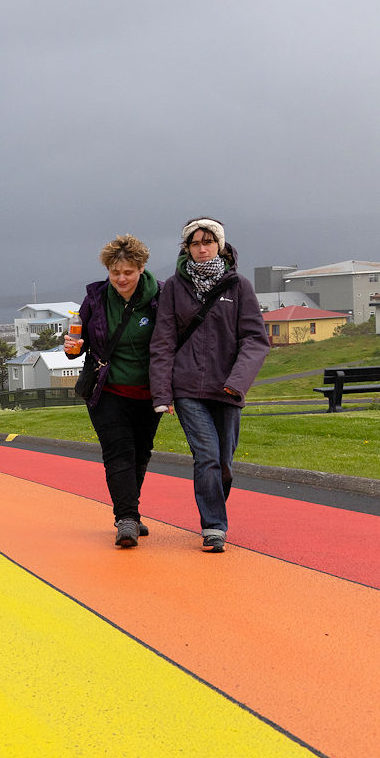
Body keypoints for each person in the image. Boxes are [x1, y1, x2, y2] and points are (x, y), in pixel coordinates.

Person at [148, 218, 270, 553]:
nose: (202, 249)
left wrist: (237, 383)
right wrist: (162, 392)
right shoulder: (174, 287)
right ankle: (213, 526)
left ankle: (214, 506)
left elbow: (255, 341)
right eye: (195, 243)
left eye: (208, 242)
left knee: (224, 463)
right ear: (186, 248)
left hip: (227, 390)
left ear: (220, 245)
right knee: (207, 457)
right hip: (187, 389)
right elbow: (162, 342)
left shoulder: (239, 286)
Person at [65, 234, 162, 548]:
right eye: (115, 272)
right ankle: (126, 519)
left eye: (128, 272)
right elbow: (77, 344)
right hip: (106, 389)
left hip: (148, 391)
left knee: (140, 453)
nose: (121, 278)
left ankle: (130, 512)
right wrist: (72, 348)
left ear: (142, 268)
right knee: (118, 452)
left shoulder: (160, 296)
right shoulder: (95, 298)